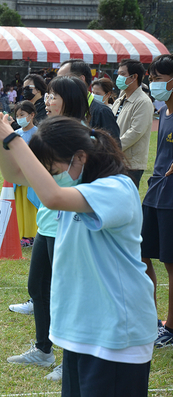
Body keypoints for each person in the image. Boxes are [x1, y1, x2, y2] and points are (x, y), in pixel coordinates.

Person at [0, 90, 157, 396]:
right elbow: (14, 173)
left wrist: (13, 138)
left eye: (53, 168)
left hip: (117, 335)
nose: (50, 175)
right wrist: (0, 137)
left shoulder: (116, 189)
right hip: (81, 331)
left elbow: (51, 197)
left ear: (80, 157)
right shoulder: (74, 178)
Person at [7, 76, 90, 382]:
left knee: (66, 295)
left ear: (69, 99)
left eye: (54, 96)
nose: (47, 101)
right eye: (49, 96)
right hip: (47, 223)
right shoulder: (48, 132)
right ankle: (44, 350)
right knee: (38, 288)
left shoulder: (81, 138)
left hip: (67, 225)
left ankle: (70, 361)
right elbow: (21, 173)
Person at [142, 54, 173, 349]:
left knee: (171, 263)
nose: (155, 84)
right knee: (142, 253)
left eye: (159, 79)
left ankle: (171, 328)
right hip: (155, 191)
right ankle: (150, 318)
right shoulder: (162, 111)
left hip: (171, 198)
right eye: (152, 78)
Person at [111, 59, 154, 188]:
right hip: (116, 159)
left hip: (131, 164)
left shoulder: (143, 102)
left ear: (134, 77)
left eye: (122, 74)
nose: (119, 77)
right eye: (118, 73)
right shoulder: (120, 99)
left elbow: (135, 132)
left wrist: (112, 147)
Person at [57, 59, 121, 145]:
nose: (57, 83)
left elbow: (114, 147)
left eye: (62, 78)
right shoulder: (61, 107)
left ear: (81, 79)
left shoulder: (101, 111)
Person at [13, 100, 38, 247]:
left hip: (32, 178)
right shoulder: (16, 134)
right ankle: (21, 233)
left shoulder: (38, 133)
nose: (19, 118)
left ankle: (31, 235)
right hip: (18, 177)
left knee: (30, 204)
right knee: (19, 204)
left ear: (31, 115)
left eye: (22, 114)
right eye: (17, 115)